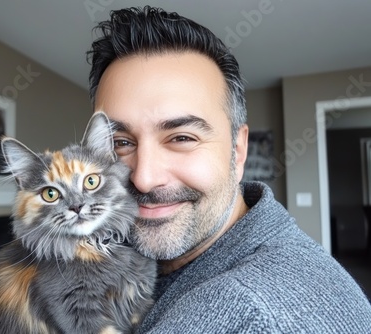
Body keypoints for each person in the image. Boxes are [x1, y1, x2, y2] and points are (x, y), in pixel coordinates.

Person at [86, 6, 371, 333]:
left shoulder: (247, 315)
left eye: (181, 137)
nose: (144, 177)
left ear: (237, 150)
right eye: (121, 142)